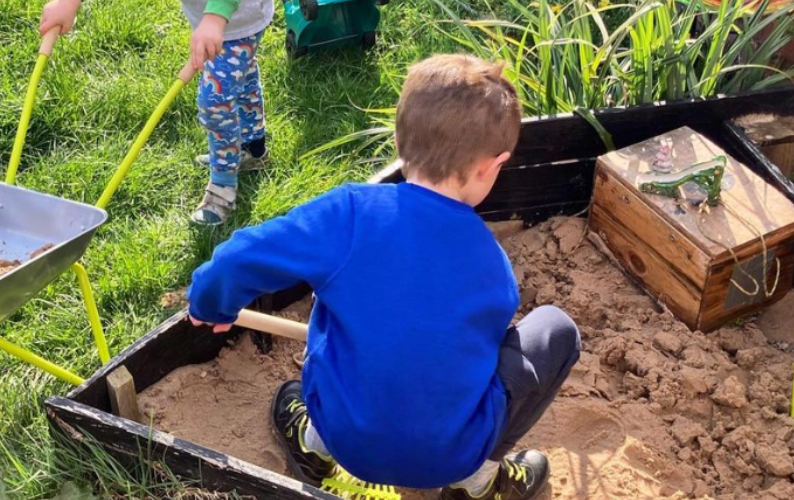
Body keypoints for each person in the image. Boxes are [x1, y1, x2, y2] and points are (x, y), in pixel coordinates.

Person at [187, 54, 580, 500]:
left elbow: (237, 258)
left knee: (339, 294)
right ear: (492, 166)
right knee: (554, 331)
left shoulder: (349, 214)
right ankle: (479, 480)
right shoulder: (492, 265)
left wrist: (210, 303)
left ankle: (313, 445)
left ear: (399, 140)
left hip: (345, 436)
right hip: (449, 454)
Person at [39, 0, 272, 225]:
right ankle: (252, 148)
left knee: (215, 102)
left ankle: (223, 186)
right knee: (242, 78)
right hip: (213, 22)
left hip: (237, 21)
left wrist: (215, 17)